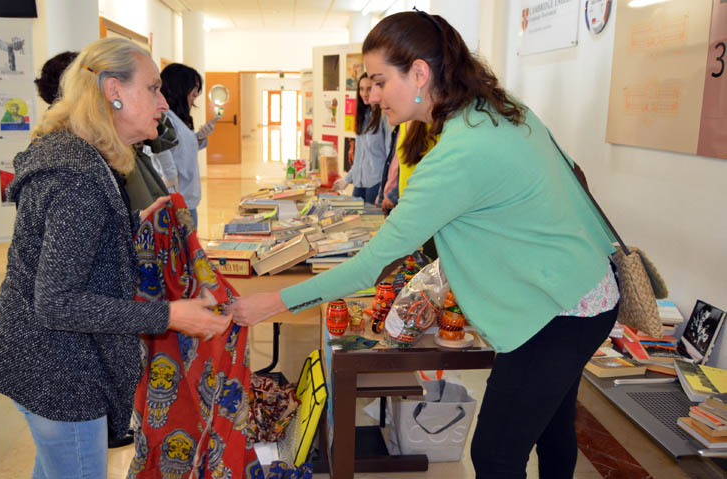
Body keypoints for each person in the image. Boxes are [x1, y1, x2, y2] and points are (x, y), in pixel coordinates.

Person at [228, 11, 620, 479]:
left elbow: (371, 265)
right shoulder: (497, 111)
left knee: (496, 453)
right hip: (589, 286)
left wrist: (271, 302)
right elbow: (573, 173)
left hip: (559, 312)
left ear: (419, 73)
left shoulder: (457, 155)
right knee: (551, 429)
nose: (370, 96)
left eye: (377, 81)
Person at [0, 37, 231, 479]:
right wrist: (169, 314)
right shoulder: (80, 179)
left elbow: (82, 253)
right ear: (113, 90)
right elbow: (56, 301)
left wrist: (134, 229)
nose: (163, 102)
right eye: (152, 88)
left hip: (52, 358)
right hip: (58, 371)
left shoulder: (88, 160)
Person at [160, 63, 215, 226]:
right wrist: (174, 198)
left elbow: (181, 150)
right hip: (178, 203)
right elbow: (166, 163)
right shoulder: (165, 118)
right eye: (194, 88)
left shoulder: (177, 117)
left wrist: (199, 137)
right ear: (180, 88)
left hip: (186, 200)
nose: (196, 94)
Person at [333, 72, 391, 204]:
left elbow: (390, 157)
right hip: (359, 184)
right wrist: (347, 180)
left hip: (376, 184)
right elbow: (359, 157)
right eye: (361, 89)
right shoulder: (363, 116)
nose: (364, 93)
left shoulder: (385, 117)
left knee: (370, 223)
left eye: (369, 89)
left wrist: (385, 190)